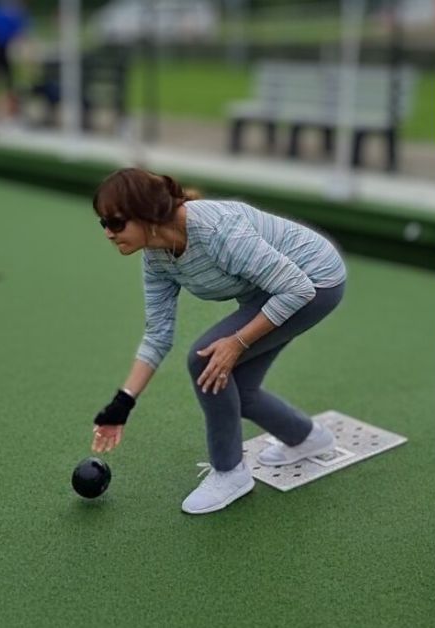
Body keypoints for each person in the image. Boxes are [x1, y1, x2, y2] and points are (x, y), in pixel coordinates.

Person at [89, 168, 347, 514]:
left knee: (205, 360)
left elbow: (297, 288)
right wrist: (122, 403)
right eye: (102, 223)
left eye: (115, 222)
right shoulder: (156, 256)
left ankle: (230, 473)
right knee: (236, 383)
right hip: (271, 290)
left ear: (146, 214)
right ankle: (307, 438)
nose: (107, 233)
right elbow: (158, 333)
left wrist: (237, 342)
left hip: (315, 282)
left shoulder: (215, 230)